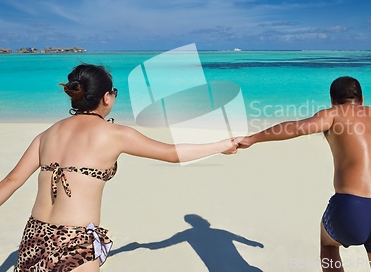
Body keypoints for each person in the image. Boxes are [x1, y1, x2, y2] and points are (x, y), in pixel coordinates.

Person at [0, 64, 238, 272]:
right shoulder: (115, 134)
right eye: (113, 92)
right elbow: (172, 154)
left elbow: (11, 182)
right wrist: (222, 145)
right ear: (106, 97)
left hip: (34, 235)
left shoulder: (47, 134)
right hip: (74, 239)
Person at [237, 76, 371, 272]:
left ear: (333, 100)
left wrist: (252, 139)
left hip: (353, 206)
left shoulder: (333, 114)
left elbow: (298, 128)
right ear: (361, 99)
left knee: (328, 243)